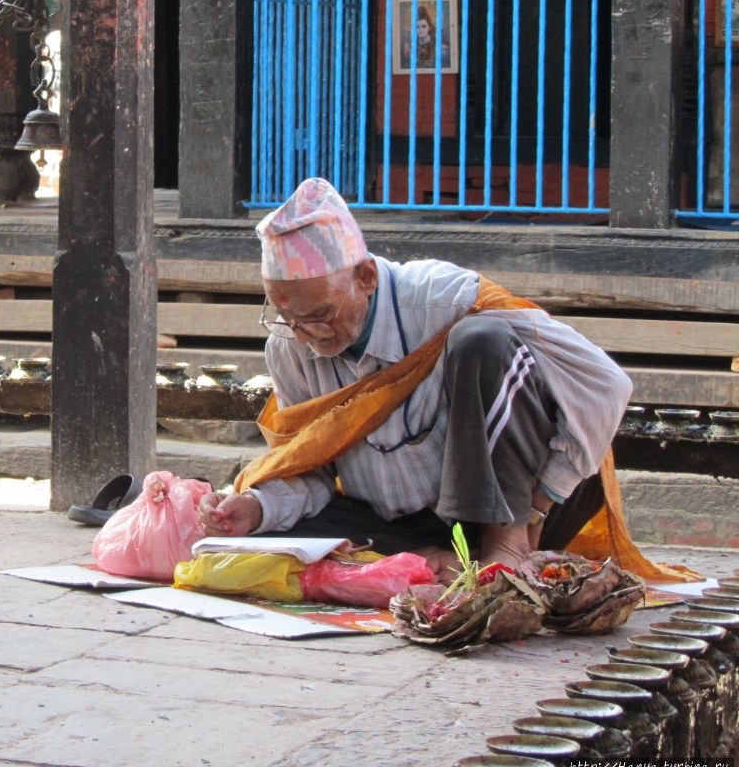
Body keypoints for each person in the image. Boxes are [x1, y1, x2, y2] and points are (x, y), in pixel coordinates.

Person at [198, 178, 633, 577]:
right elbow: (307, 464)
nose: (306, 335)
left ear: (365, 277)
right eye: (286, 318)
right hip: (408, 523)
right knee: (260, 542)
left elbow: (607, 385)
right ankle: (432, 558)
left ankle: (504, 544)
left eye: (319, 315)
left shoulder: (445, 298)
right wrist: (257, 508)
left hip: (525, 510)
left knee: (482, 339)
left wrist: (537, 508)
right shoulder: (289, 347)